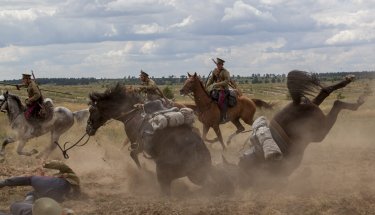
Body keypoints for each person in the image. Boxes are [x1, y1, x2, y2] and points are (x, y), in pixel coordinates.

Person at [0, 160, 80, 203]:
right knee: (35, 194)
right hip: (56, 197)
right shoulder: (75, 184)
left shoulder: (70, 173)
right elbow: (76, 195)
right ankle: (27, 203)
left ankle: (3, 182)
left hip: (56, 185)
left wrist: (45, 164)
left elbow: (60, 164)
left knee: (29, 179)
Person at [206, 58, 231, 123]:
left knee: (220, 101)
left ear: (222, 65)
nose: (218, 65)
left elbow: (227, 81)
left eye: (220, 64)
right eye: (217, 64)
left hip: (223, 89)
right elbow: (211, 79)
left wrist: (217, 84)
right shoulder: (215, 71)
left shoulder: (225, 72)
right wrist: (206, 86)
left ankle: (223, 116)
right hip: (215, 89)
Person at [0, 197, 74, 215]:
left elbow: (67, 211)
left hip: (27, 205)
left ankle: (30, 196)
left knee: (29, 199)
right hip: (16, 208)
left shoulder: (53, 210)